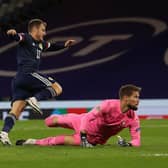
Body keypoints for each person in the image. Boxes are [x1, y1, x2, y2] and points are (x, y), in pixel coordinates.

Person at [0, 19, 76, 145]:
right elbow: (17, 37)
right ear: (34, 30)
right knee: (57, 88)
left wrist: (65, 45)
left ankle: (4, 133)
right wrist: (12, 34)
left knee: (16, 110)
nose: (44, 33)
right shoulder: (26, 37)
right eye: (42, 30)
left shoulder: (41, 44)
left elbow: (52, 46)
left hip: (19, 80)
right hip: (28, 74)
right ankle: (35, 99)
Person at [16, 84, 141, 147]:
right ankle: (49, 118)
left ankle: (31, 142)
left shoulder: (133, 118)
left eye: (138, 97)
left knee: (60, 141)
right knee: (50, 122)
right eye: (135, 97)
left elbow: (136, 140)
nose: (138, 100)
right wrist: (83, 134)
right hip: (81, 123)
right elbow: (88, 117)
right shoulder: (108, 105)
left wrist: (128, 144)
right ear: (125, 98)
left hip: (93, 140)